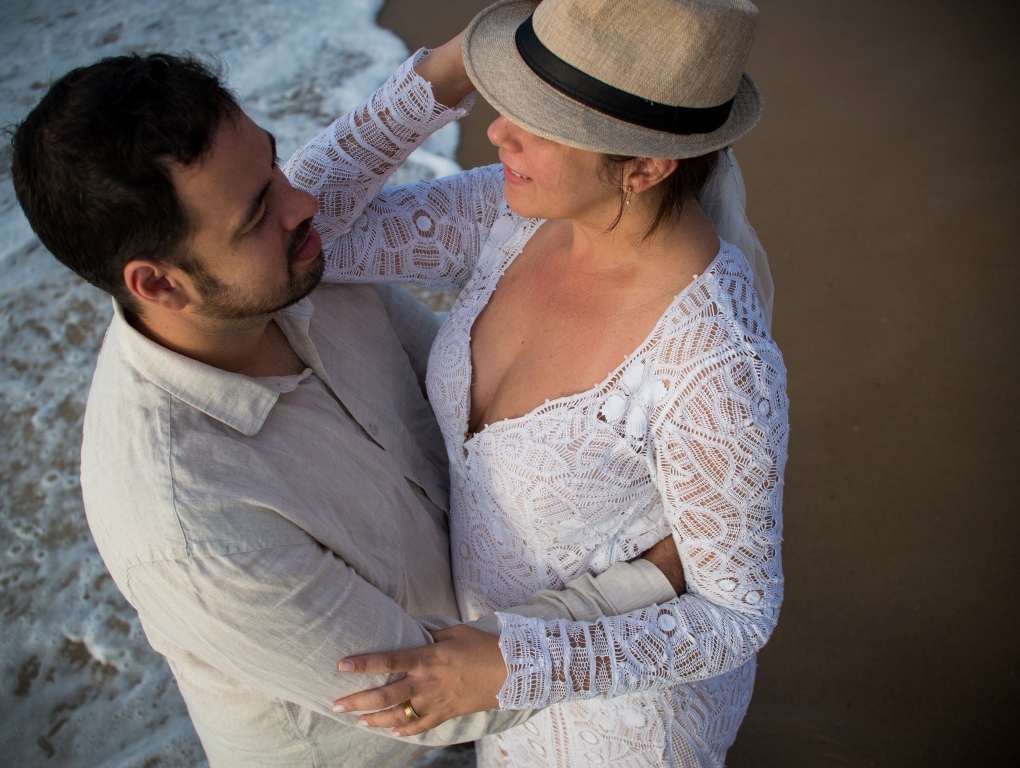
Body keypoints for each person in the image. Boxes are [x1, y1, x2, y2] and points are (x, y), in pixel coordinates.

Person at [9, 32, 686, 768]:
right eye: (257, 212)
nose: (306, 203)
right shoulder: (187, 525)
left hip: (508, 639)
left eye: (272, 164)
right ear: (160, 285)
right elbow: (416, 702)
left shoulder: (288, 264)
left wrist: (462, 61)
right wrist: (657, 577)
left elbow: (470, 423)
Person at [316, 0, 789, 766]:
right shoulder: (519, 215)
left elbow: (737, 613)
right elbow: (300, 233)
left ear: (644, 167)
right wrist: (441, 74)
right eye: (512, 95)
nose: (499, 128)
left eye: (541, 120)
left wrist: (514, 668)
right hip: (490, 688)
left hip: (623, 728)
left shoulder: (712, 357)